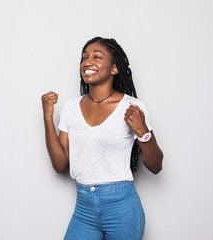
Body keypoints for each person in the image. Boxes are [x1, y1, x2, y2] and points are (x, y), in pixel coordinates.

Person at [41, 37, 163, 240]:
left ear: (114, 69)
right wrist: (47, 117)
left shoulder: (133, 107)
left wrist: (143, 133)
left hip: (122, 208)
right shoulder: (71, 108)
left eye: (97, 56)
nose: (87, 62)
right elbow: (60, 165)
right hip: (84, 209)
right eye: (84, 57)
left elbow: (156, 166)